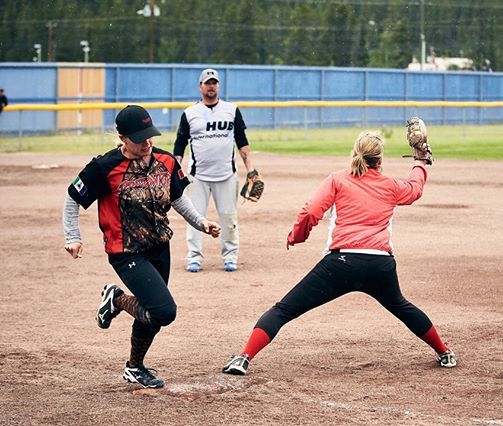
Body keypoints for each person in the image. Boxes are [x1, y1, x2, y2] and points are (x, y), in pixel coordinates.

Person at [221, 130, 457, 376]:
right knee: (402, 307)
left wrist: (297, 236)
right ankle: (444, 352)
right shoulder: (390, 186)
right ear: (380, 160)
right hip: (379, 266)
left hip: (340, 264)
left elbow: (312, 211)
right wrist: (419, 162)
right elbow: (414, 188)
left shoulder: (338, 179)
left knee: (284, 310)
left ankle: (243, 358)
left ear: (355, 154)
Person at [63, 105, 221, 388]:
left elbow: (176, 198)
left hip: (160, 246)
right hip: (126, 252)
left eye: (150, 136)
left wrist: (201, 222)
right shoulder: (104, 167)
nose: (147, 143)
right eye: (139, 138)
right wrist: (73, 236)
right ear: (122, 137)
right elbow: (73, 196)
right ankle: (117, 299)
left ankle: (135, 367)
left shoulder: (165, 160)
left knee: (152, 314)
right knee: (163, 311)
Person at [173, 68, 257, 273]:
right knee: (194, 216)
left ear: (218, 85)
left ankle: (230, 256)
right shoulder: (190, 113)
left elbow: (242, 142)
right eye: (207, 82)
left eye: (214, 82)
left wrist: (251, 170)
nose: (211, 86)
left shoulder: (231, 110)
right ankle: (194, 257)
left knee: (228, 217)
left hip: (226, 174)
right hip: (198, 176)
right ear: (200, 86)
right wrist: (174, 172)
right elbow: (179, 144)